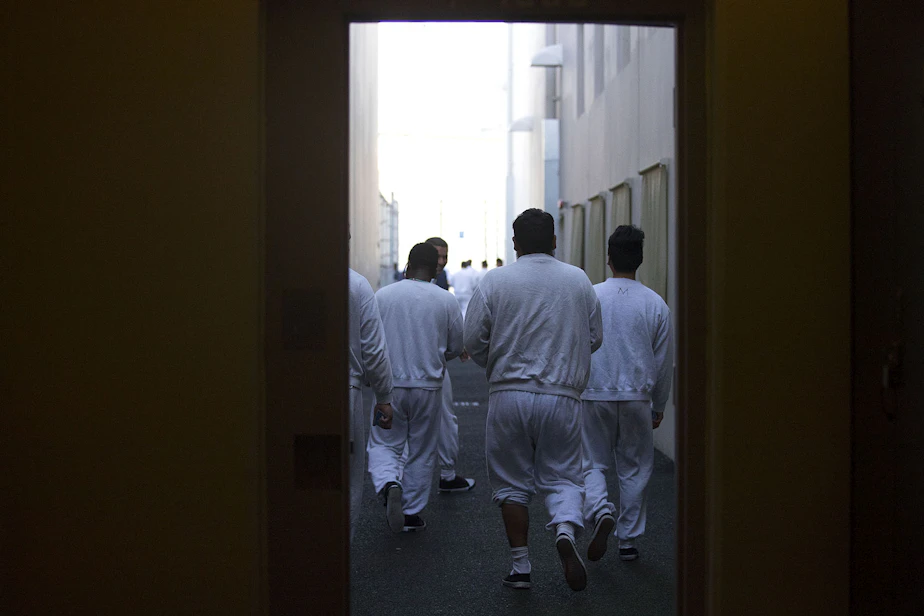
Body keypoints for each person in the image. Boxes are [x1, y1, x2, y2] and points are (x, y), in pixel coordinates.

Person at [464, 208, 603, 592]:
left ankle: (521, 566)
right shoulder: (578, 280)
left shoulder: (496, 281)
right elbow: (595, 337)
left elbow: (473, 339)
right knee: (563, 476)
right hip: (563, 395)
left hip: (508, 394)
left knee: (510, 483)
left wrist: (493, 361)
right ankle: (563, 530)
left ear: (515, 244)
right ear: (555, 241)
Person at [581, 225, 673, 563]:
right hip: (637, 395)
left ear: (608, 259)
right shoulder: (655, 304)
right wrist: (659, 403)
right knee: (635, 468)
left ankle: (599, 509)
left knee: (591, 462)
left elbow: (578, 345)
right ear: (641, 259)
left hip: (593, 392)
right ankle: (628, 540)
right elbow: (663, 361)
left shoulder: (591, 296)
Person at [367, 243, 464, 532]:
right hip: (428, 386)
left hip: (390, 384)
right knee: (422, 449)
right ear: (436, 268)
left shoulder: (383, 296)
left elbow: (371, 341)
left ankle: (388, 482)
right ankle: (410, 512)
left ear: (407, 265)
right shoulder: (445, 300)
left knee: (384, 442)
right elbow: (456, 346)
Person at [424, 237, 477, 493]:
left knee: (405, 428)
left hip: (407, 370)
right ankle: (444, 475)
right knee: (443, 419)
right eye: (437, 256)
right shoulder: (443, 295)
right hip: (433, 368)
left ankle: (394, 483)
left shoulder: (442, 291)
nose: (441, 262)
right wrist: (456, 349)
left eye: (445, 257)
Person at [348, 268, 395, 540]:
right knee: (347, 479)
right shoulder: (356, 284)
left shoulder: (280, 274)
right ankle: (337, 559)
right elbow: (374, 350)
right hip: (346, 392)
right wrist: (384, 397)